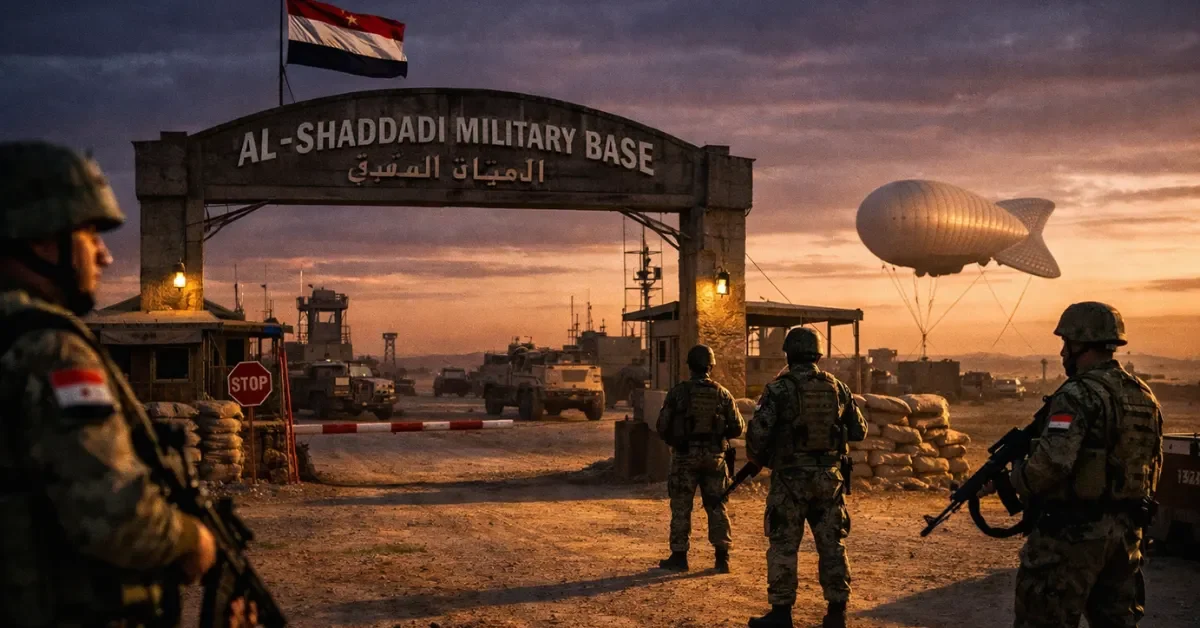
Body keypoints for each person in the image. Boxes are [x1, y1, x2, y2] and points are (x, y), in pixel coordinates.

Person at [0, 141, 254, 627]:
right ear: (43, 241)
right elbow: (113, 513)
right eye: (90, 233)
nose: (105, 256)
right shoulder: (47, 349)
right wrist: (192, 540)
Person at [988, 302, 1164, 627]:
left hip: (1073, 536)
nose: (1061, 352)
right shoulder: (1144, 395)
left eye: (1065, 343)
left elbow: (1050, 465)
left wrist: (1013, 482)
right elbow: (1154, 461)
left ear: (1081, 343)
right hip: (1125, 537)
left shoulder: (1077, 394)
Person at [745, 327, 866, 628]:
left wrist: (763, 457)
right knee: (832, 544)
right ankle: (837, 612)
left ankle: (782, 615)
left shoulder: (778, 389)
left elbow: (758, 435)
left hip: (790, 480)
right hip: (829, 479)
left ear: (788, 353)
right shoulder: (837, 387)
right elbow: (859, 430)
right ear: (818, 354)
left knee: (784, 544)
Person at [655, 344, 745, 573]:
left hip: (685, 458)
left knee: (681, 506)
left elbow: (662, 425)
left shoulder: (678, 392)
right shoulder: (722, 393)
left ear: (690, 366)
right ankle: (722, 558)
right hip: (715, 458)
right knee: (717, 506)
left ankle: (679, 557)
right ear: (711, 366)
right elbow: (737, 428)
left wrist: (677, 440)